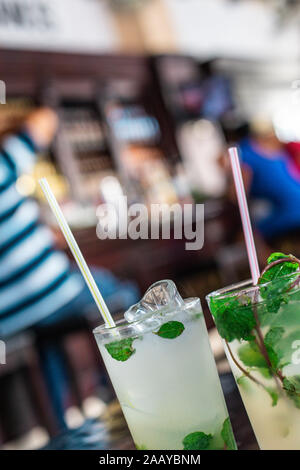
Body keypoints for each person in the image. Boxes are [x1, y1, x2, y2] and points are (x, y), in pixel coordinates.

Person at [0, 108, 139, 428]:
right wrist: (9, 125)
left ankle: (59, 424)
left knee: (46, 339)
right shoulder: (4, 163)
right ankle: (123, 390)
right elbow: (45, 117)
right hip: (50, 295)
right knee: (121, 291)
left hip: (7, 319)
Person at [238, 119, 300, 239]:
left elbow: (238, 195)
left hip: (291, 213)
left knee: (248, 237)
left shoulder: (247, 155)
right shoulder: (277, 153)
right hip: (292, 208)